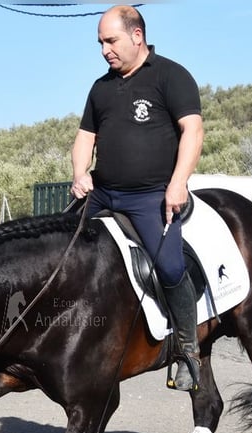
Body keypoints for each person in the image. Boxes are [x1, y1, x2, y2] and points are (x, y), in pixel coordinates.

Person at [70, 4, 204, 391]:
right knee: (60, 245)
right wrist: (80, 174)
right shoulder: (101, 88)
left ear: (137, 36)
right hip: (102, 193)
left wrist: (178, 183)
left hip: (150, 198)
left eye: (110, 41)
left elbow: (192, 132)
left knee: (170, 267)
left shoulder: (171, 76)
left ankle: (187, 349)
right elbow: (85, 138)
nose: (104, 50)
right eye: (100, 43)